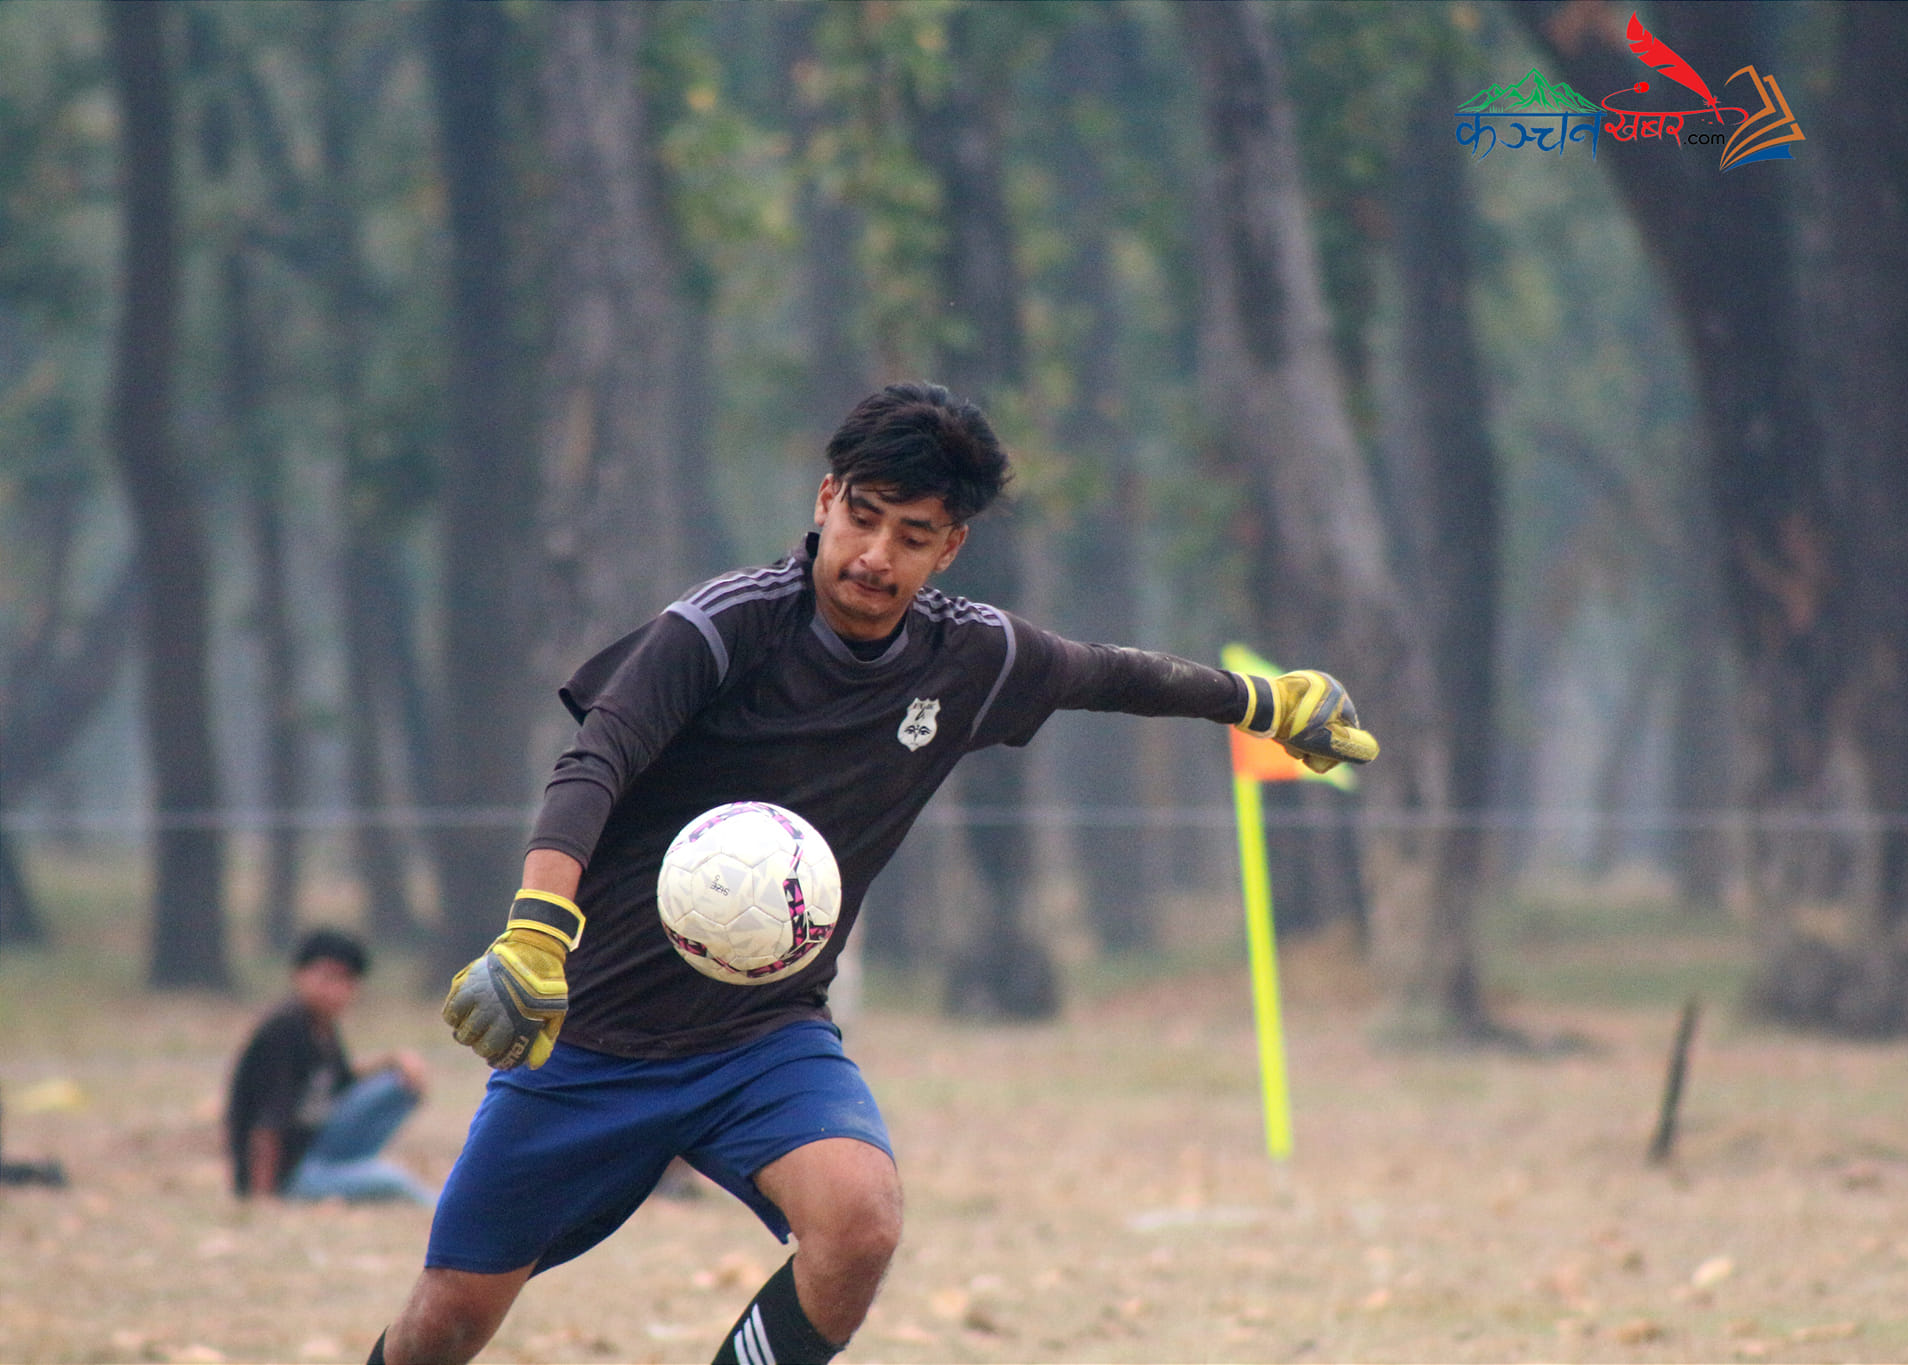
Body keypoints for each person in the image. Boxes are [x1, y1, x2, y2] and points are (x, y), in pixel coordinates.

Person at [368, 382, 1378, 1364]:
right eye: (863, 518)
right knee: (445, 1324)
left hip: (759, 1037)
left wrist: (1256, 701)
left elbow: (1102, 672)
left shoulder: (965, 655)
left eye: (912, 535)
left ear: (951, 546)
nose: (875, 556)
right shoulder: (720, 628)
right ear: (824, 501)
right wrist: (536, 928)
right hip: (583, 1036)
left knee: (860, 1222)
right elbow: (596, 761)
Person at [226, 927, 434, 1206]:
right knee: (392, 1180)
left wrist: (393, 1061)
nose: (335, 990)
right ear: (299, 975)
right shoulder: (284, 1030)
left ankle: (352, 1169)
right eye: (327, 977)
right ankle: (444, 1209)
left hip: (316, 1148)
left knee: (398, 1086)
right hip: (287, 1175)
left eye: (346, 981)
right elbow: (267, 1123)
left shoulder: (321, 1027)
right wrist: (264, 1199)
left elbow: (341, 1082)